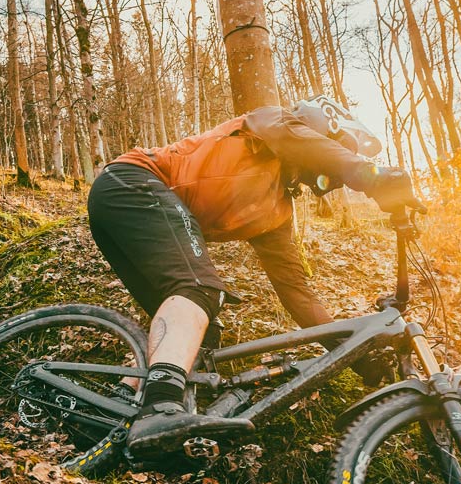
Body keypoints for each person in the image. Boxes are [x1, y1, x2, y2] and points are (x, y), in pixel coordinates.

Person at [87, 96, 422, 453]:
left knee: (199, 331)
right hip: (133, 181)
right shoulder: (267, 125)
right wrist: (372, 176)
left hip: (124, 207)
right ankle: (160, 407)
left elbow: (298, 295)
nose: (334, 176)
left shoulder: (277, 211)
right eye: (335, 148)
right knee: (199, 290)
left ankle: (110, 413)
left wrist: (359, 359)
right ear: (319, 132)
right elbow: (297, 139)